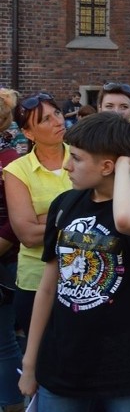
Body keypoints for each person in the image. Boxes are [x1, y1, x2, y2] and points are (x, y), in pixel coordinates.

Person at [17, 113, 130, 410]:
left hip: (127, 372)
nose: (66, 166)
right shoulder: (65, 205)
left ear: (107, 166)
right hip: (64, 364)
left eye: (76, 158)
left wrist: (125, 169)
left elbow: (127, 221)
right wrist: (29, 362)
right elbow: (49, 288)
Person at [2, 94, 71, 344]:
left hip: (86, 276)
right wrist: (81, 217)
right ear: (28, 133)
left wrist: (45, 219)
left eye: (57, 113)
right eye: (45, 119)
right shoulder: (17, 170)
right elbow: (27, 236)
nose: (57, 121)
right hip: (36, 279)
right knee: (44, 357)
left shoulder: (84, 155)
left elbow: (108, 215)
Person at [0, 90, 24, 412]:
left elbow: (13, 220)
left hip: (2, 260)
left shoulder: (9, 160)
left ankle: (13, 403)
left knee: (3, 342)